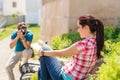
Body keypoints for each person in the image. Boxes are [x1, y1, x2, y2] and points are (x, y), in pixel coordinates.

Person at [38, 15, 104, 80]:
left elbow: (61, 53)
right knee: (40, 69)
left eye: (79, 27)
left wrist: (43, 53)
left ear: (86, 28)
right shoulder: (96, 43)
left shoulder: (83, 45)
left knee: (45, 48)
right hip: (77, 76)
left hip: (64, 77)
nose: (78, 30)